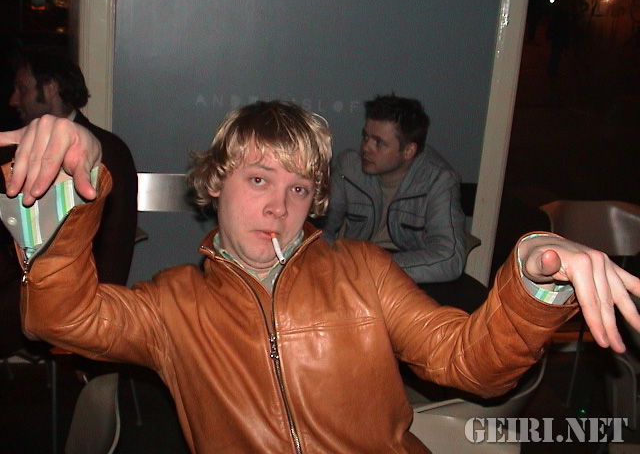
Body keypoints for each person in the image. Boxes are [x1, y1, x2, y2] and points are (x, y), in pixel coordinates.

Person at [1, 101, 640, 453]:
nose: (279, 207)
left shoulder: (362, 271)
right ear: (217, 182)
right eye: (259, 180)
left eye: (299, 188)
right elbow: (60, 318)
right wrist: (65, 197)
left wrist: (532, 280)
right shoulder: (172, 305)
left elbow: (472, 363)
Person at [8, 47, 137, 285]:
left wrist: (102, 301)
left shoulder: (108, 150)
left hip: (80, 295)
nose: (13, 100)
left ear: (51, 88)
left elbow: (115, 242)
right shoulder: (18, 148)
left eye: (22, 89)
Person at [321, 94, 466, 284]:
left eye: (379, 143)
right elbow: (319, 230)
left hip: (406, 278)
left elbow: (449, 259)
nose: (366, 148)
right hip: (353, 272)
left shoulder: (439, 180)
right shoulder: (348, 168)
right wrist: (332, 262)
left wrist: (374, 268)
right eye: (365, 136)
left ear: (408, 151)